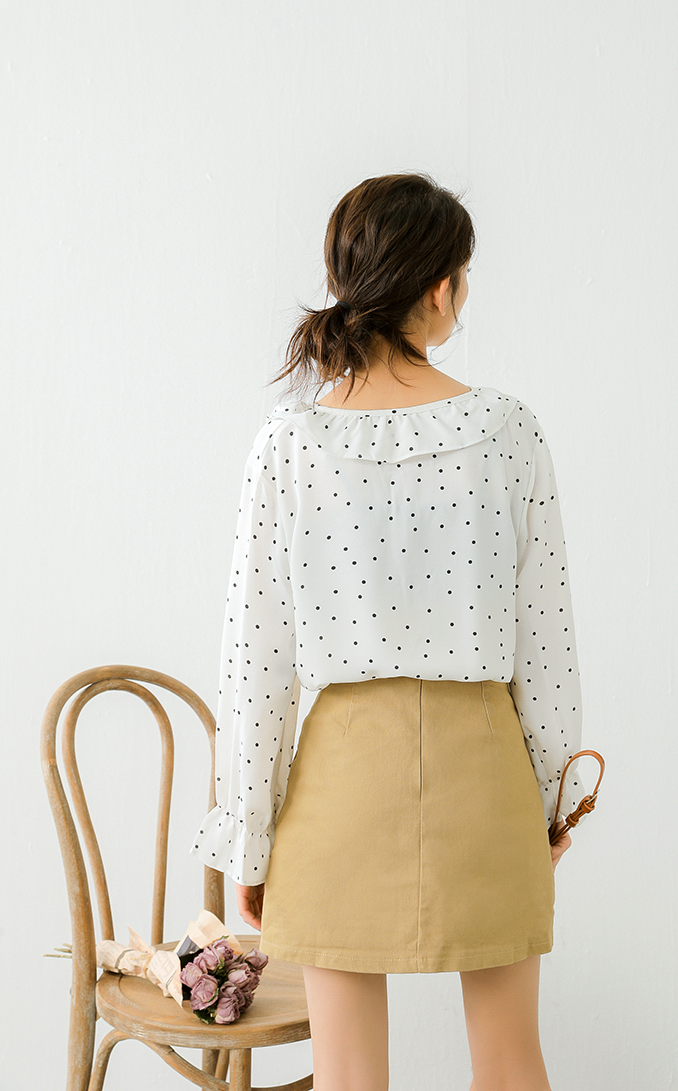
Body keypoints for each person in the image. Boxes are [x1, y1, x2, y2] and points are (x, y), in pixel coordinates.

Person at [191, 172, 583, 1091]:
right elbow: (547, 642)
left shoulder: (289, 443)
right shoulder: (507, 430)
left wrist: (249, 837)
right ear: (440, 287)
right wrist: (553, 799)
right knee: (512, 1063)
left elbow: (256, 665)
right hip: (485, 772)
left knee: (348, 1074)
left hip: (340, 781)